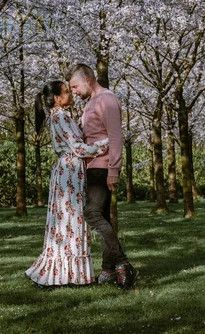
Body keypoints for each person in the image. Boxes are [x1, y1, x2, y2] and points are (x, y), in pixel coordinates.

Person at [25, 80, 109, 288]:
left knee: (68, 219)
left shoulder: (60, 116)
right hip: (70, 170)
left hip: (69, 169)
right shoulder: (61, 116)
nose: (71, 94)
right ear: (57, 98)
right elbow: (79, 149)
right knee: (70, 219)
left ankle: (67, 274)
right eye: (66, 92)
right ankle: (65, 275)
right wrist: (105, 144)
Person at [67, 63, 139, 290]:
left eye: (75, 86)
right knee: (104, 217)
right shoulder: (90, 103)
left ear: (88, 80)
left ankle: (123, 263)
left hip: (103, 167)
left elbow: (115, 137)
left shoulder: (107, 99)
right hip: (92, 167)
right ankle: (108, 268)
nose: (74, 92)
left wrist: (114, 170)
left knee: (92, 214)